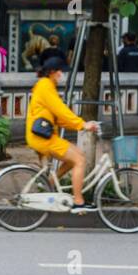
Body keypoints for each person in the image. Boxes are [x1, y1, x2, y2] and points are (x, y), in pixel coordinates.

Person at [24, 55, 100, 214]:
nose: (62, 74)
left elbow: (58, 118)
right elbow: (61, 110)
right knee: (79, 160)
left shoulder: (46, 86)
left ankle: (50, 182)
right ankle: (78, 202)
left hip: (43, 136)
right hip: (43, 139)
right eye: (60, 71)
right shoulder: (45, 86)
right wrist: (82, 124)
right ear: (52, 72)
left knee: (77, 155)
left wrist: (81, 126)